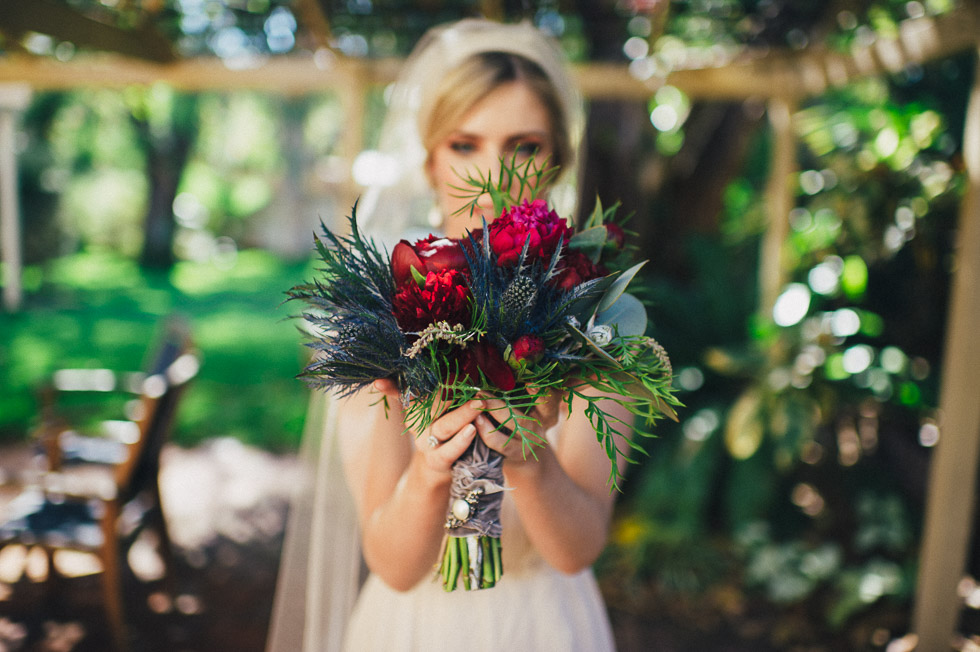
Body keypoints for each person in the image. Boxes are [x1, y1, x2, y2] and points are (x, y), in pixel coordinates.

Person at [267, 18, 630, 652]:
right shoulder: (377, 321)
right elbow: (395, 563)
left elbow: (577, 550)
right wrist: (433, 470)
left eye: (524, 146)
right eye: (466, 144)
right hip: (416, 625)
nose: (496, 174)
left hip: (544, 622)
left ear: (557, 161)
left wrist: (526, 461)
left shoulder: (597, 323)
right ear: (431, 159)